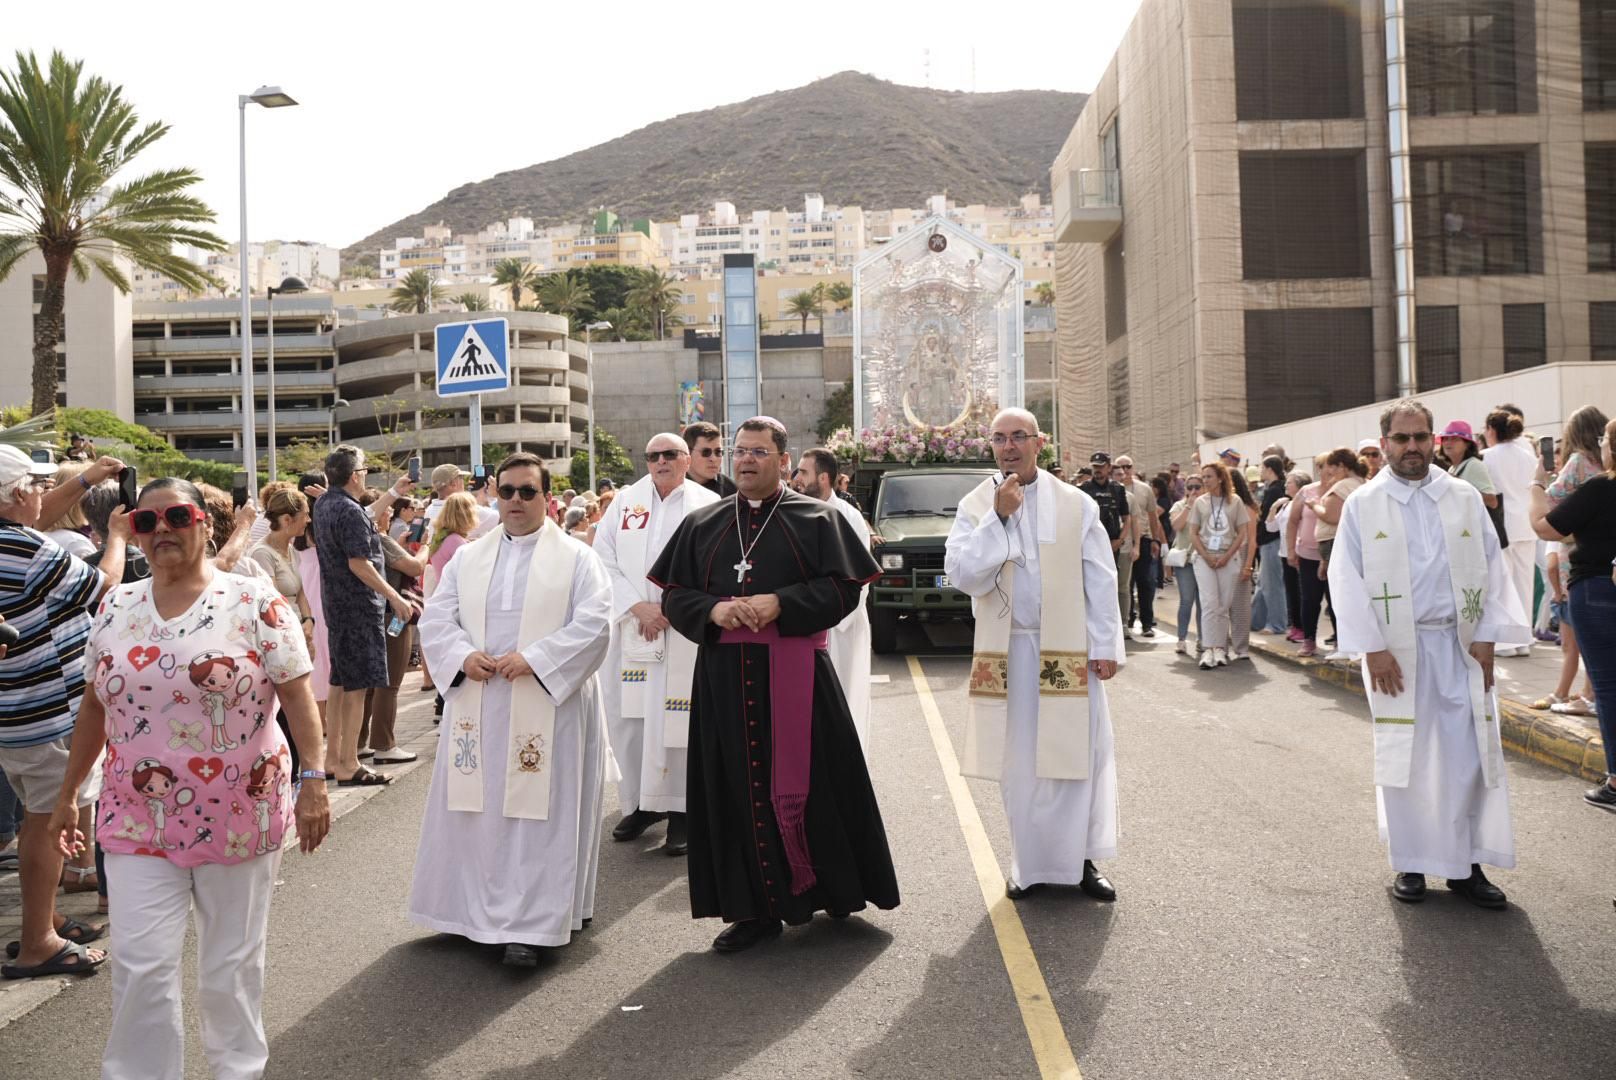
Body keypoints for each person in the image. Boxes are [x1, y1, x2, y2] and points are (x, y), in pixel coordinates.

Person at [47, 477, 329, 1076]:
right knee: (141, 964)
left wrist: (316, 779)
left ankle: (238, 1070)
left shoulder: (254, 602)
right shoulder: (117, 605)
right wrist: (69, 792)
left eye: (176, 516)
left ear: (205, 523)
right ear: (134, 534)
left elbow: (297, 697)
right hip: (137, 814)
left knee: (230, 966)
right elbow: (96, 706)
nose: (162, 531)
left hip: (240, 811)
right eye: (146, 523)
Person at [650, 416, 897, 953]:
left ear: (784, 461)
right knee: (732, 790)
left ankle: (836, 889)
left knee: (822, 784)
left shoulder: (816, 519)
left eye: (759, 452)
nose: (745, 460)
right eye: (740, 451)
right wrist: (714, 610)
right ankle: (751, 910)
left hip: (798, 678)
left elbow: (844, 591)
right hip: (723, 683)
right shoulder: (703, 524)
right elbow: (675, 596)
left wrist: (781, 603)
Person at [410, 453, 611, 967]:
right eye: (507, 492)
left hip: (545, 699)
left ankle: (530, 925)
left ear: (547, 497)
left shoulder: (576, 557)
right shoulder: (467, 557)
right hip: (479, 698)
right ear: (493, 496)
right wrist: (461, 655)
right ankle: (465, 912)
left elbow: (595, 623)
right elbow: (437, 617)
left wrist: (537, 659)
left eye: (528, 492)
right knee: (475, 808)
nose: (516, 501)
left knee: (535, 813)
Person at [1330, 399, 1525, 908]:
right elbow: (1344, 578)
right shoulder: (1364, 504)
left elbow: (1491, 564)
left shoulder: (1461, 496)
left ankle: (1465, 865)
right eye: (1401, 438)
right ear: (1385, 443)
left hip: (1459, 646)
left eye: (1421, 437)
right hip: (1397, 650)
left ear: (1434, 440)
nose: (1412, 447)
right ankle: (1412, 862)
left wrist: (1486, 636)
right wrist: (1372, 648)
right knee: (1407, 758)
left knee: (1468, 756)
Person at [944, 409, 1122, 901]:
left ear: (1039, 442)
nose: (1008, 446)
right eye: (999, 438)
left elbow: (1100, 579)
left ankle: (1082, 861)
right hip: (1010, 651)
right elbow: (962, 574)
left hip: (1068, 650)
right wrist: (997, 516)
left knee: (1077, 756)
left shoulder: (1075, 503)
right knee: (1020, 763)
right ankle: (1029, 864)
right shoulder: (976, 503)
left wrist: (1105, 646)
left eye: (1018, 436)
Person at [0, 446, 127, 981]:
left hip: (16, 711)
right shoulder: (26, 547)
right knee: (46, 825)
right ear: (14, 493)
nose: (39, 493)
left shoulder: (14, 536)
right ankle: (39, 943)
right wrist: (118, 538)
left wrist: (85, 481)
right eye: (33, 484)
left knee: (36, 819)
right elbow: (104, 589)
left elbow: (37, 513)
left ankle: (42, 918)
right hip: (46, 710)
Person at [594, 433, 718, 857]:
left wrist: (672, 607)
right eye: (652, 456)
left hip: (682, 629)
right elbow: (602, 558)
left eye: (670, 454)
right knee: (631, 720)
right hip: (633, 627)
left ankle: (681, 810)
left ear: (687, 460)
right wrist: (637, 607)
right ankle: (641, 805)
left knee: (679, 719)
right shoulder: (626, 502)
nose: (661, 461)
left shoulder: (706, 503)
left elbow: (715, 564)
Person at [314, 446, 414, 787]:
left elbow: (363, 520)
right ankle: (348, 763)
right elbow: (360, 562)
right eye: (365, 470)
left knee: (340, 683)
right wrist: (395, 596)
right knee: (356, 687)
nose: (366, 475)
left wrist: (393, 493)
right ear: (355, 475)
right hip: (359, 608)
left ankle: (333, 759)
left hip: (337, 607)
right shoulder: (347, 510)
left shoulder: (325, 504)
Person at [1531, 414, 1616, 811]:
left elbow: (1546, 527)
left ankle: (1615, 781)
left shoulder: (1601, 486)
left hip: (1596, 589)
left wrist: (1536, 484)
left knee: (1609, 689)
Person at [796, 447, 875, 749]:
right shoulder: (796, 509)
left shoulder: (848, 517)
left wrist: (829, 619)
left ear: (824, 477)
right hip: (805, 625)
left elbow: (859, 578)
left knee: (842, 699)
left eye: (804, 472)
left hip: (839, 628)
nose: (797, 479)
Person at [249, 486, 318, 773]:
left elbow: (300, 591)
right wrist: (298, 627)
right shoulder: (262, 554)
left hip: (299, 630)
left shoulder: (290, 550)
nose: (308, 521)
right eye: (304, 516)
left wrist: (308, 620)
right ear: (287, 519)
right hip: (280, 637)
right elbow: (273, 601)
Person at [357, 497, 427, 766]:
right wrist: (426, 547)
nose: (389, 512)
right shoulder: (378, 538)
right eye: (385, 508)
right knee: (390, 683)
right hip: (393, 613)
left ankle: (360, 742)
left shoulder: (366, 539)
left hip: (374, 613)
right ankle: (384, 744)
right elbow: (414, 567)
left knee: (372, 686)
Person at [1482, 407, 1538, 657]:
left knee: (1503, 584)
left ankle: (1506, 642)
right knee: (1524, 585)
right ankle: (1524, 640)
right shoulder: (1527, 454)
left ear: (1492, 430)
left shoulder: (1487, 456)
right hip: (1527, 523)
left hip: (1502, 525)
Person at [1188, 461, 1252, 669]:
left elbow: (1242, 532)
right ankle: (1208, 648)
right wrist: (1205, 556)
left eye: (1208, 477)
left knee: (1224, 605)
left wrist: (1227, 556)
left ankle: (1220, 649)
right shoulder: (1200, 502)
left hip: (1228, 559)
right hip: (1205, 558)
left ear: (1220, 478)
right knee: (1209, 603)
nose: (1205, 481)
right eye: (1203, 477)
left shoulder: (1235, 502)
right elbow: (1193, 532)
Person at [1078, 453, 1132, 637]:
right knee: (1090, 584)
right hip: (1090, 545)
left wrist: (1120, 540)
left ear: (1109, 467)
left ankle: (1118, 626)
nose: (1097, 470)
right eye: (1094, 466)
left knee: (1114, 585)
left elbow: (1127, 518)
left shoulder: (1118, 489)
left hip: (1113, 545)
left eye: (1101, 466)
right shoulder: (1083, 489)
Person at [1115, 456, 1161, 638]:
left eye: (1128, 466)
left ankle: (1147, 623)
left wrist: (1156, 540)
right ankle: (1128, 619)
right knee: (1125, 584)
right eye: (1121, 467)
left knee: (1146, 582)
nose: (1125, 470)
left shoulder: (1144, 489)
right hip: (1122, 541)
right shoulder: (1114, 489)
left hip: (1143, 538)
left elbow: (1152, 515)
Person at [1168, 473, 1205, 655]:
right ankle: (1181, 639)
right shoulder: (1179, 505)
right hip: (1185, 560)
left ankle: (1202, 639)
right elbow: (1176, 526)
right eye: (1189, 487)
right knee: (1186, 601)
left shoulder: (1208, 504)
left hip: (1205, 559)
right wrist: (1189, 506)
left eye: (1197, 487)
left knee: (1203, 602)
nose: (1193, 491)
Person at [1254, 456, 1288, 635]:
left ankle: (1276, 624)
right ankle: (1255, 620)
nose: (1260, 471)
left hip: (1271, 541)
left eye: (1261, 467)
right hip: (1269, 541)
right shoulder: (1276, 488)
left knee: (1272, 584)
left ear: (1269, 469)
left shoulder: (1275, 490)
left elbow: (1267, 517)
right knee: (1263, 584)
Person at [423, 463, 499, 537]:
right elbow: (503, 520)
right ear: (453, 484)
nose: (464, 483)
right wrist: (498, 494)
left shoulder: (430, 509)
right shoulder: (464, 508)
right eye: (461, 478)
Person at [682, 421, 738, 497]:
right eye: (706, 452)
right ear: (687, 453)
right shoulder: (670, 487)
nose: (713, 459)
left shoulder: (733, 492)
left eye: (718, 452)